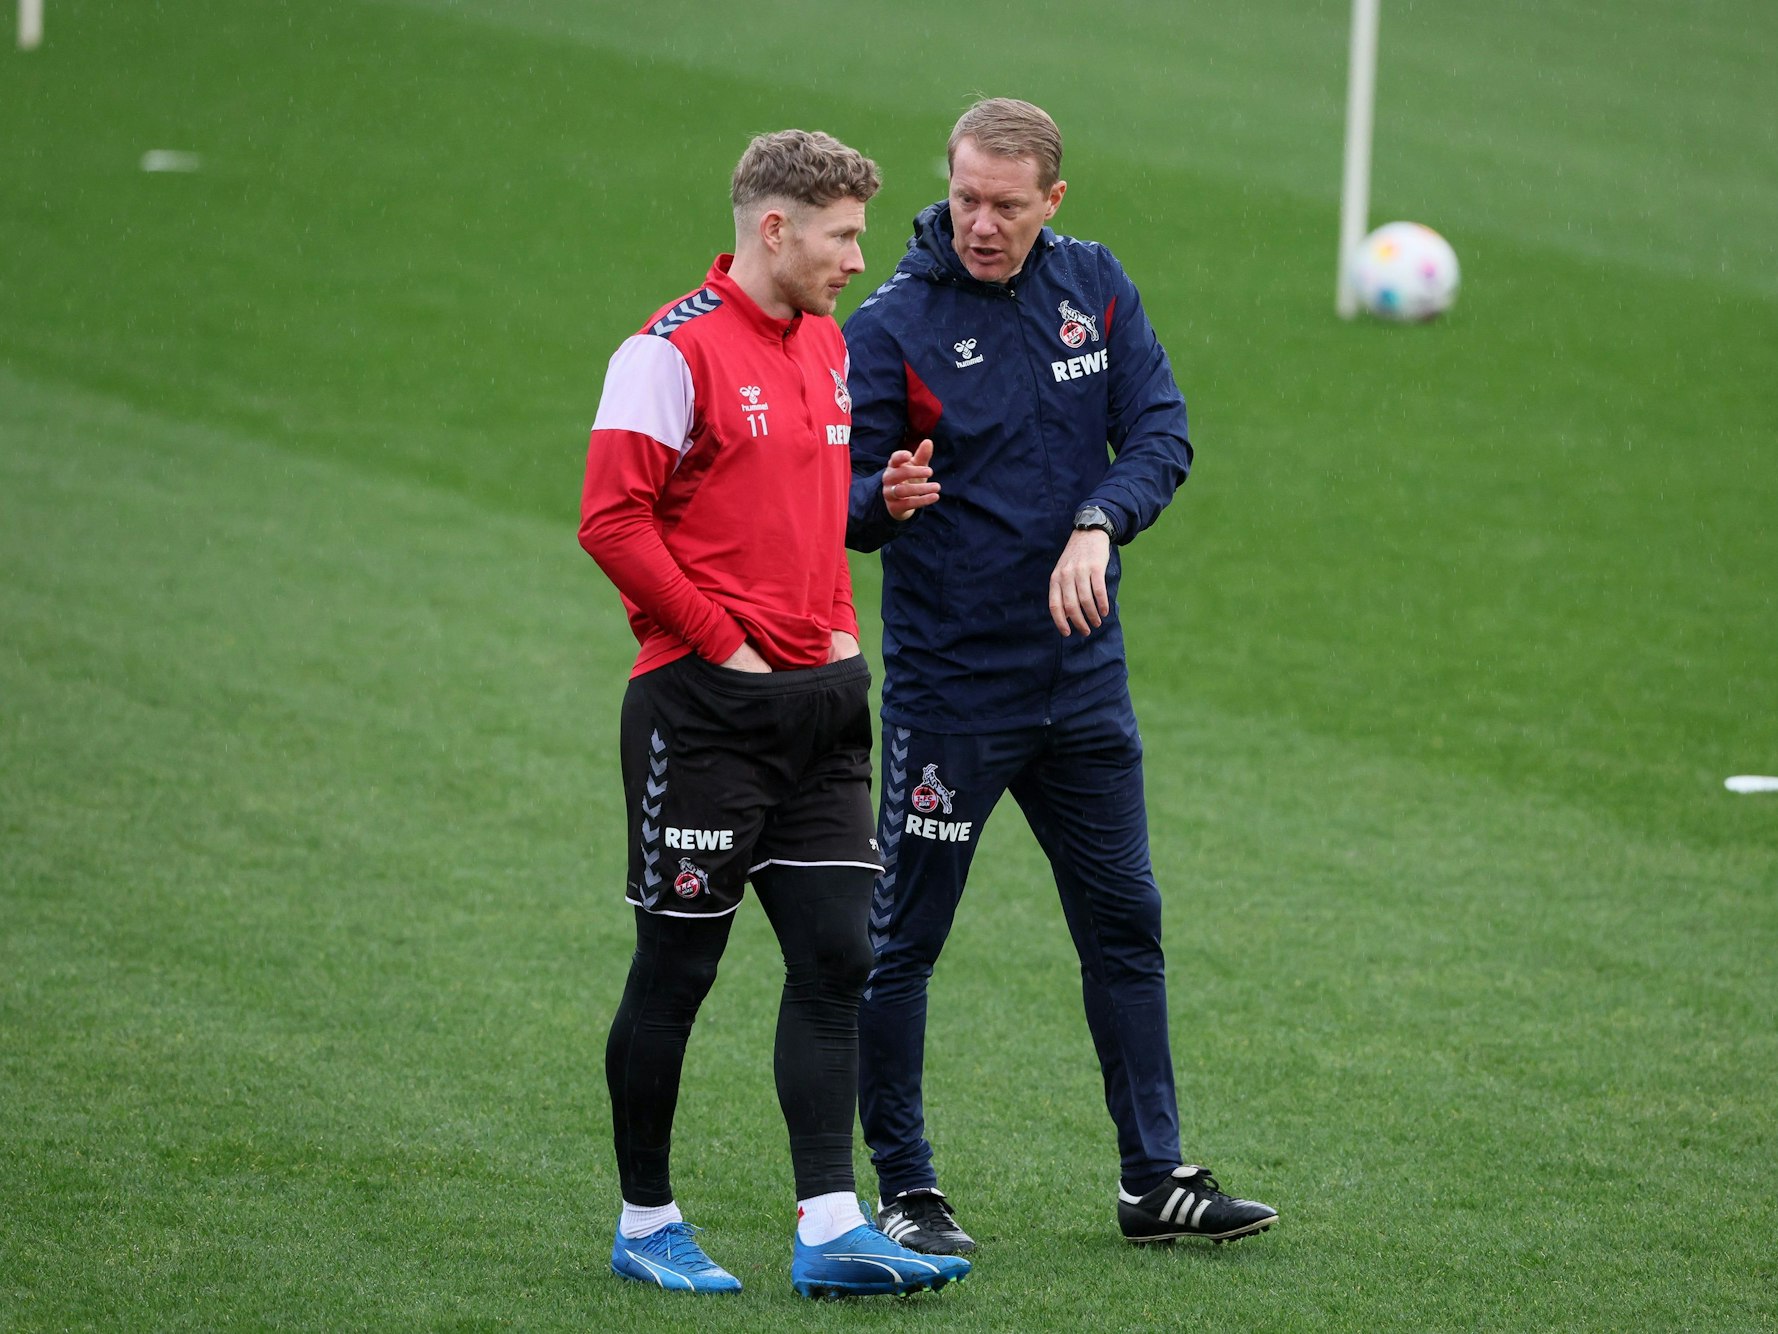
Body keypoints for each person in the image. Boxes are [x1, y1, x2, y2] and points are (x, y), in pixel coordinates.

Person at [843, 98, 1278, 1253]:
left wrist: (1098, 520)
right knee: (905, 939)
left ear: (1052, 200)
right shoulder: (889, 327)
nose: (979, 224)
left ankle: (1153, 1178)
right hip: (953, 695)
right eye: (964, 198)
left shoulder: (1095, 284)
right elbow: (833, 501)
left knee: (1124, 923)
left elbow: (1160, 433)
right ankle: (907, 1185)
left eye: (1006, 204)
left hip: (1081, 685)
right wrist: (877, 503)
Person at [579, 129, 970, 1299]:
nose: (858, 256)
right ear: (774, 229)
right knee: (676, 970)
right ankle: (645, 1221)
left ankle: (831, 1223)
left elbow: (799, 502)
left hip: (821, 711)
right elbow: (613, 522)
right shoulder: (664, 353)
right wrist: (729, 646)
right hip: (703, 711)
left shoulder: (827, 350)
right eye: (843, 234)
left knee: (838, 953)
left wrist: (879, 509)